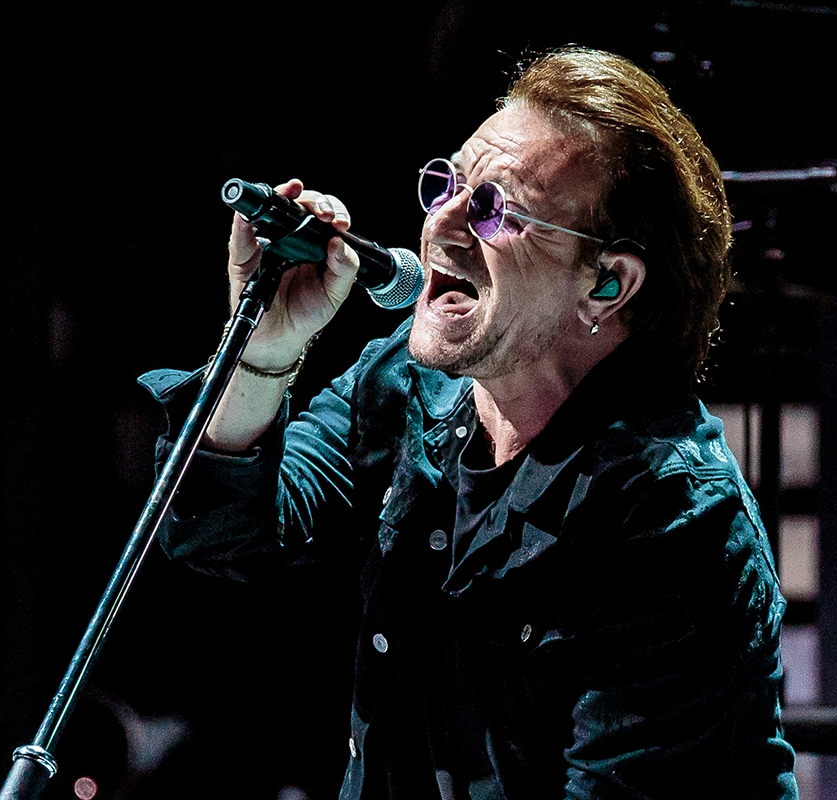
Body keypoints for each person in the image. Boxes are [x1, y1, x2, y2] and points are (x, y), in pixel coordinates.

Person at [140, 47, 798, 799]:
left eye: (494, 209)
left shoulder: (669, 514)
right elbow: (220, 532)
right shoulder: (409, 383)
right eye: (448, 183)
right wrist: (263, 353)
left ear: (608, 283)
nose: (442, 223)